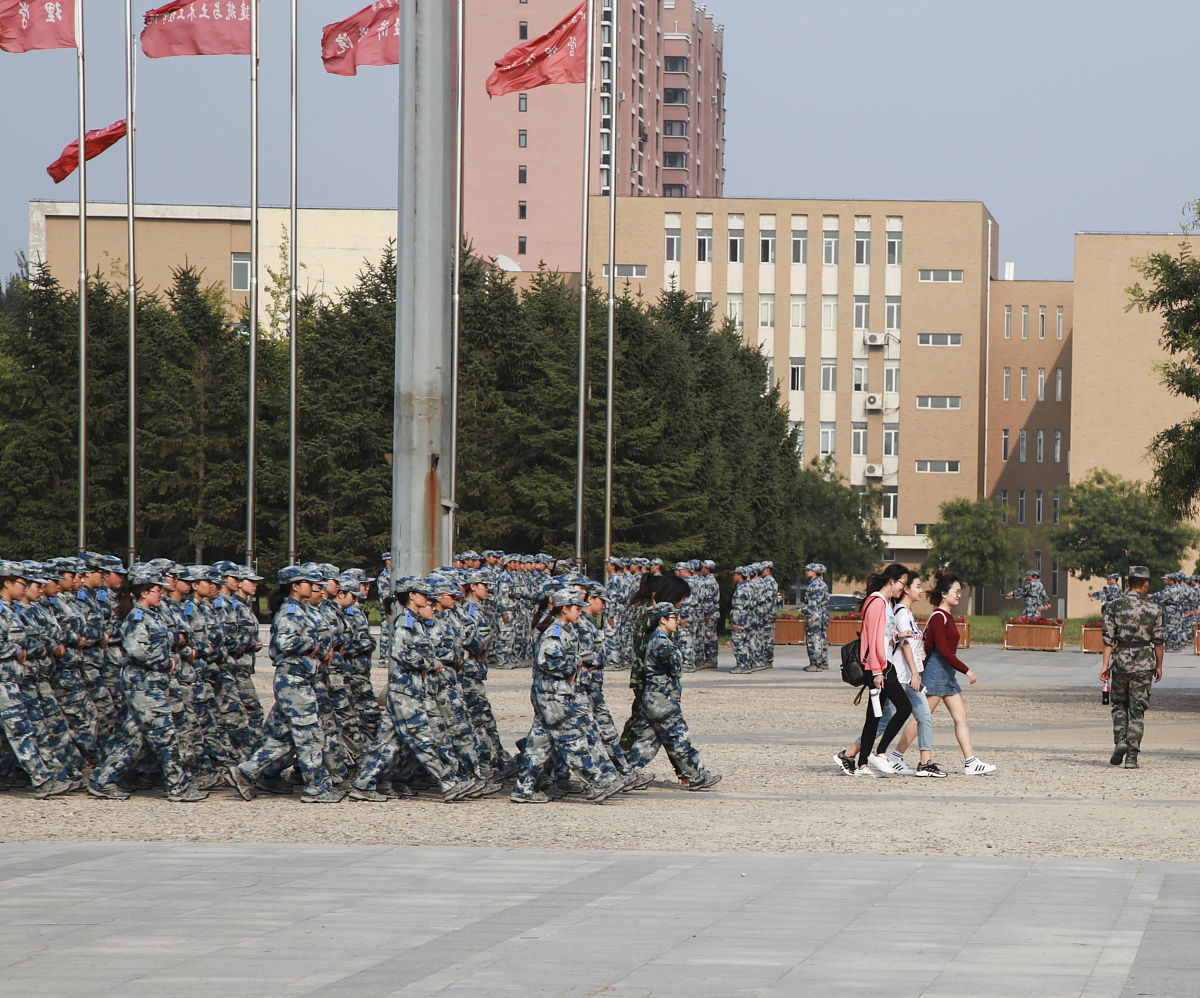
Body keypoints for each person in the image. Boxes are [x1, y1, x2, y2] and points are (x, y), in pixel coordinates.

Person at [88, 566, 205, 802]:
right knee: (165, 735)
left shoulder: (152, 614)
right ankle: (178, 787)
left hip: (152, 683)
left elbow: (164, 639)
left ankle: (102, 780)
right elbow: (137, 650)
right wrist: (166, 662)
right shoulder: (137, 616)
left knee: (132, 737)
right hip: (144, 685)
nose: (160, 593)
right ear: (144, 592)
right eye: (156, 590)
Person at [622, 601, 721, 790]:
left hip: (655, 699)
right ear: (663, 620)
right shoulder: (661, 642)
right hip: (662, 700)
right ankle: (697, 776)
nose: (677, 621)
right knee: (679, 736)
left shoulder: (658, 639)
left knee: (648, 741)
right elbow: (675, 665)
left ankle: (627, 774)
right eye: (673, 618)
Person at [918, 572, 996, 775]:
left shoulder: (947, 617)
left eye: (961, 592)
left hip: (947, 674)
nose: (959, 595)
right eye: (956, 591)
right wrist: (966, 670)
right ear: (944, 594)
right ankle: (895, 756)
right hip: (936, 672)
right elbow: (943, 651)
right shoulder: (938, 617)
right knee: (922, 717)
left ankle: (970, 762)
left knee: (961, 717)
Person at [1100, 565, 1165, 769]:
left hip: (1120, 661)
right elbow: (1159, 642)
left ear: (1128, 583)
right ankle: (1132, 757)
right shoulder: (1154, 609)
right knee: (1137, 711)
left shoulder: (1113, 606)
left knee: (1119, 705)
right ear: (1145, 584)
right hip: (1144, 662)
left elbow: (1108, 640)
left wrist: (1105, 666)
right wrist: (1159, 666)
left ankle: (1120, 741)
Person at [852, 564, 913, 777]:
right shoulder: (878, 602)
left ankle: (862, 765)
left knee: (874, 716)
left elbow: (882, 636)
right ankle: (880, 752)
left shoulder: (884, 603)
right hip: (881, 666)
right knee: (904, 707)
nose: (903, 589)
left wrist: (897, 636)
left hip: (881, 664)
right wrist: (878, 671)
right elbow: (875, 639)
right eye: (903, 583)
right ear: (892, 581)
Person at [883, 574, 945, 777]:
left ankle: (925, 763)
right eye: (917, 586)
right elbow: (906, 645)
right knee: (884, 722)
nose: (921, 590)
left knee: (924, 717)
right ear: (907, 589)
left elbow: (913, 644)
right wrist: (916, 674)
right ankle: (850, 754)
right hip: (902, 677)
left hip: (909, 677)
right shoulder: (901, 613)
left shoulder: (908, 613)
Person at [801, 563, 830, 672]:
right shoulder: (822, 583)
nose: (806, 572)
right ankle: (823, 662)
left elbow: (813, 602)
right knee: (821, 637)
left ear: (814, 572)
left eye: (808, 570)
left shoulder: (815, 585)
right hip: (821, 613)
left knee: (814, 638)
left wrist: (809, 616)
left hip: (815, 614)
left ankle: (816, 664)